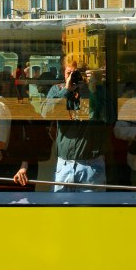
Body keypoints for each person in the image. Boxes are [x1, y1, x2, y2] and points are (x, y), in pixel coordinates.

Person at [41, 61, 109, 192]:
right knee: (61, 210)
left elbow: (110, 117)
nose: (73, 77)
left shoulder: (97, 90)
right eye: (69, 73)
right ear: (63, 74)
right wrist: (66, 91)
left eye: (77, 73)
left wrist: (95, 90)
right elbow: (46, 113)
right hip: (65, 164)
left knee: (90, 211)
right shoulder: (58, 90)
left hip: (91, 165)